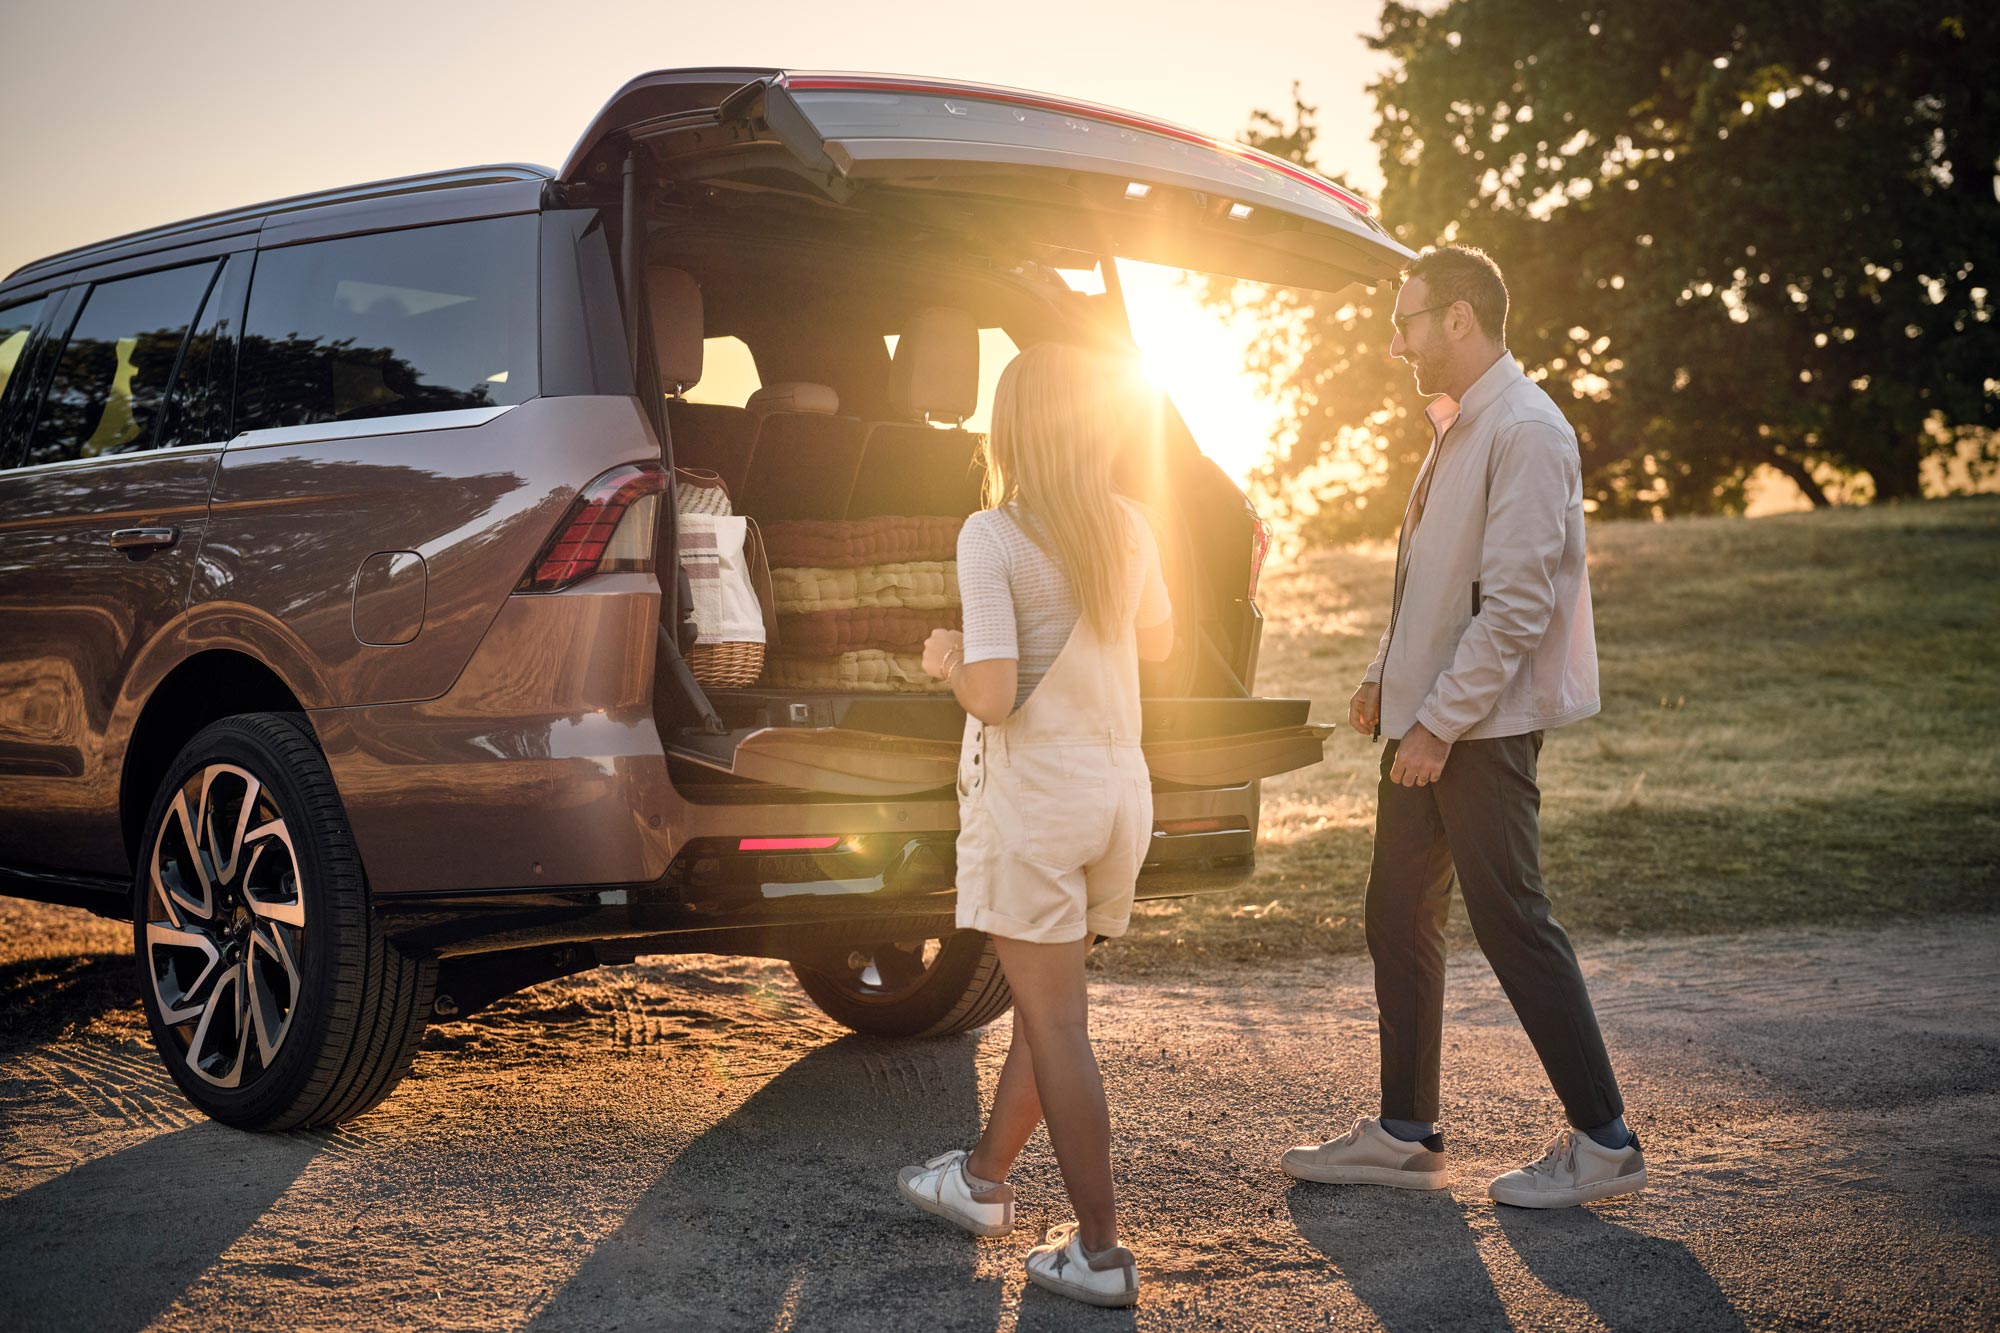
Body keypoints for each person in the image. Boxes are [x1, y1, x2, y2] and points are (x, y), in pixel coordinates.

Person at [1281, 246, 1646, 1209]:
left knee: (1512, 922)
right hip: (1428, 722)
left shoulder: (1526, 430)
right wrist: (1380, 677)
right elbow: (1440, 588)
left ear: (1457, 318)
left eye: (1405, 321)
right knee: (1395, 911)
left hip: (1476, 729)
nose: (1393, 340)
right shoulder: (1458, 428)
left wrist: (1436, 723)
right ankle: (1406, 1132)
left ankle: (1604, 1142)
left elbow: (1517, 605)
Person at [899, 342, 1173, 1307]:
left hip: (1039, 802)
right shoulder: (1128, 525)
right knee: (1046, 1008)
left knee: (1057, 1021)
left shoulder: (992, 534)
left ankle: (1099, 1254)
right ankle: (981, 1182)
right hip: (1119, 798)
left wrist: (944, 655)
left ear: (1009, 431)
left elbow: (996, 693)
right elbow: (1161, 639)